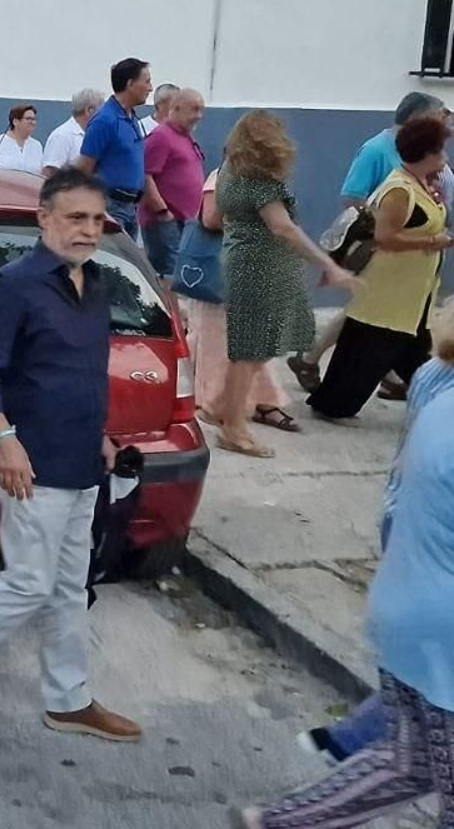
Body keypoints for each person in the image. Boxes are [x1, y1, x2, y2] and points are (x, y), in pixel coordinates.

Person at [0, 168, 140, 744]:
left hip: (81, 463)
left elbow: (81, 372)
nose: (88, 230)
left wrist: (100, 433)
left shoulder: (96, 283)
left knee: (70, 585)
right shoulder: (15, 285)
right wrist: (4, 440)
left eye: (97, 220)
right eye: (76, 217)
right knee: (27, 582)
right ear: (45, 219)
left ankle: (67, 699)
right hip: (32, 464)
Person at [232, 353, 454, 827]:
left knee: (408, 764)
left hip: (406, 609)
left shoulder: (441, 385)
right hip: (444, 638)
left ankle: (279, 822)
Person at [288, 91, 450, 395]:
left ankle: (382, 372)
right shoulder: (377, 149)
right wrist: (379, 224)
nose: (444, 119)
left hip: (409, 257)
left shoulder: (427, 152)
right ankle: (312, 358)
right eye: (439, 113)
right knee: (366, 313)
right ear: (419, 117)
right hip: (382, 249)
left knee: (374, 315)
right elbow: (352, 196)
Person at [218, 111, 358, 458]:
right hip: (260, 268)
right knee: (250, 351)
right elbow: (283, 227)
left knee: (252, 348)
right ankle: (233, 428)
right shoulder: (261, 183)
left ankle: (227, 412)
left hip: (243, 261)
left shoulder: (228, 172)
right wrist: (327, 263)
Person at [177, 167, 298, 433]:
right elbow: (209, 218)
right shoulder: (221, 177)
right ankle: (214, 403)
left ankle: (262, 401)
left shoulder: (265, 179)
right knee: (214, 338)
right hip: (220, 271)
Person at [76, 57, 154, 242]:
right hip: (109, 206)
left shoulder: (132, 118)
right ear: (130, 84)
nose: (150, 88)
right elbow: (83, 169)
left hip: (131, 207)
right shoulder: (105, 120)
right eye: (147, 81)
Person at [139, 87, 207, 280]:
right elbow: (144, 176)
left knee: (179, 277)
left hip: (184, 222)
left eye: (201, 110)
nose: (199, 116)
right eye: (194, 109)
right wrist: (162, 212)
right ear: (176, 108)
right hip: (166, 223)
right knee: (169, 278)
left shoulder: (185, 137)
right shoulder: (161, 136)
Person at [42, 88, 105, 175]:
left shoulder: (93, 135)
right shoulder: (62, 136)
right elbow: (49, 173)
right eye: (101, 111)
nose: (104, 116)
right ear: (89, 110)